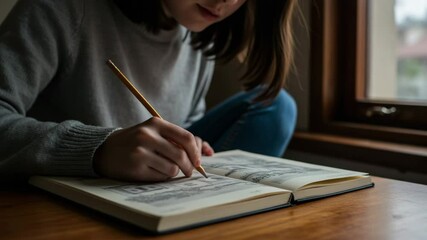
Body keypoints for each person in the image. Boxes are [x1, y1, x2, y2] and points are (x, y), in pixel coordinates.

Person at [0, 0, 298, 184]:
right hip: (70, 192)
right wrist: (100, 149)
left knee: (276, 108)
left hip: (151, 190)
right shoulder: (63, 8)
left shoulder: (198, 33)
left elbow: (186, 120)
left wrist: (190, 144)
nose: (227, 1)